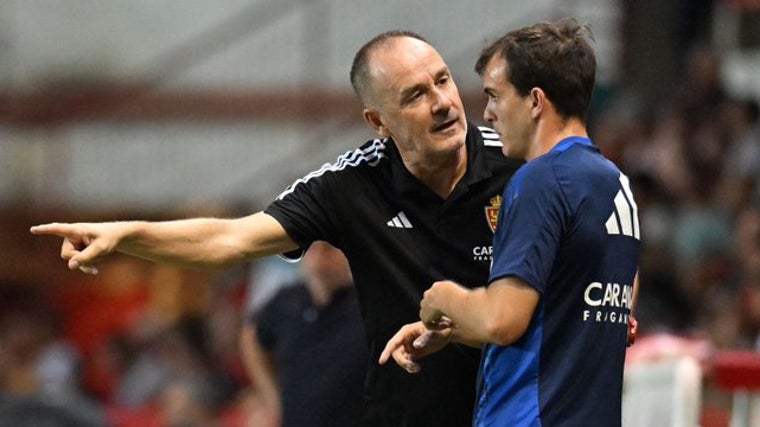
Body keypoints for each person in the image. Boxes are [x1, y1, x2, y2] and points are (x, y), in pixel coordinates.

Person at [30, 30, 522, 426]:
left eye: (441, 80)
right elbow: (231, 239)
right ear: (379, 121)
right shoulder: (349, 185)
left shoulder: (520, 162)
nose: (442, 102)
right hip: (408, 414)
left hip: (520, 409)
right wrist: (128, 234)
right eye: (415, 94)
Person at [380, 19, 641, 426]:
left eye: (495, 97)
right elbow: (575, 312)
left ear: (535, 101)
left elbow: (503, 320)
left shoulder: (541, 179)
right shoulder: (614, 183)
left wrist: (441, 300)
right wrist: (453, 330)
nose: (487, 113)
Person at [239, 241, 367, 427]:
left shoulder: (366, 305)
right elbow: (252, 336)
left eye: (327, 250)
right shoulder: (288, 302)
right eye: (311, 249)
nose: (319, 258)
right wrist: (272, 397)